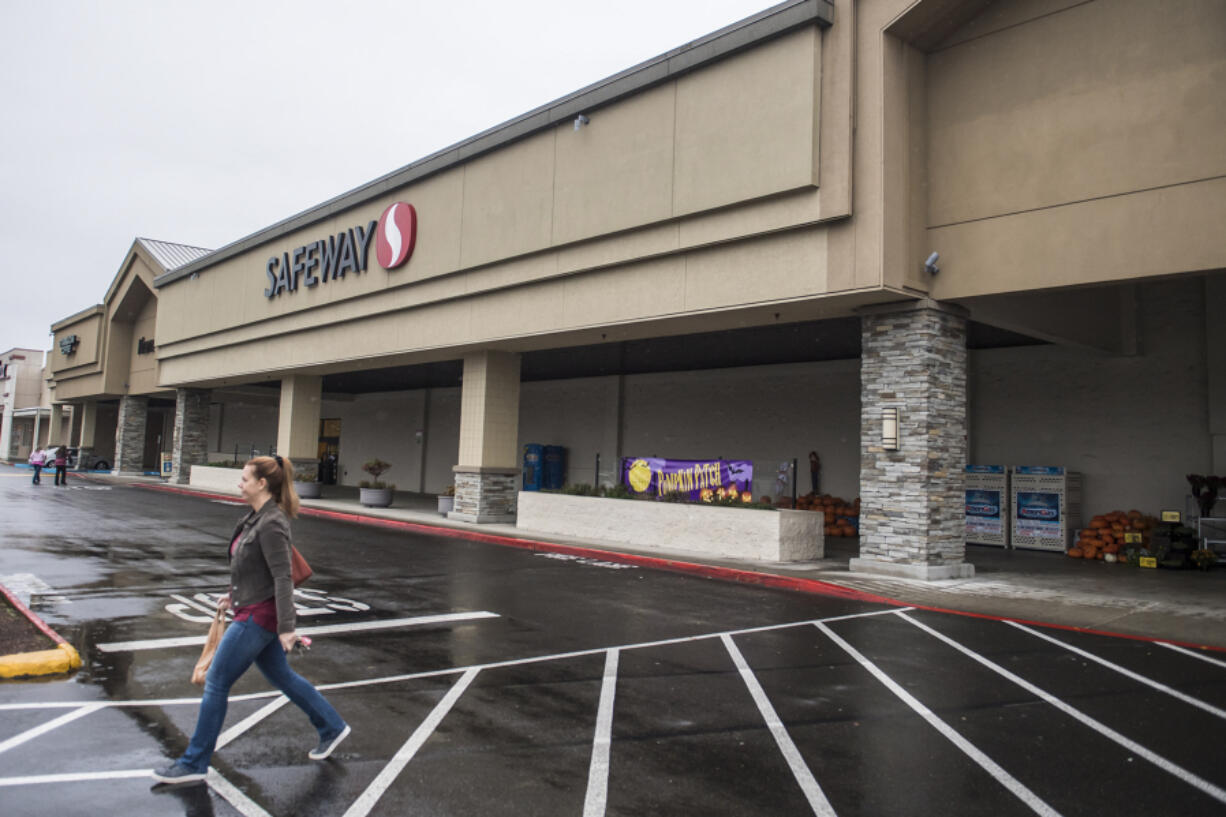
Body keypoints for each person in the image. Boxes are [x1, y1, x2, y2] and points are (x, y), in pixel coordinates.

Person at [152, 455, 350, 785]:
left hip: (260, 616)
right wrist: (235, 594)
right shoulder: (256, 518)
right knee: (282, 677)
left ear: (262, 484)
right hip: (252, 607)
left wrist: (287, 628)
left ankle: (194, 762)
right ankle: (331, 726)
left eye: (244, 479)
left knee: (216, 680)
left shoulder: (272, 523)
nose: (239, 484)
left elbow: (283, 577)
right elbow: (253, 566)